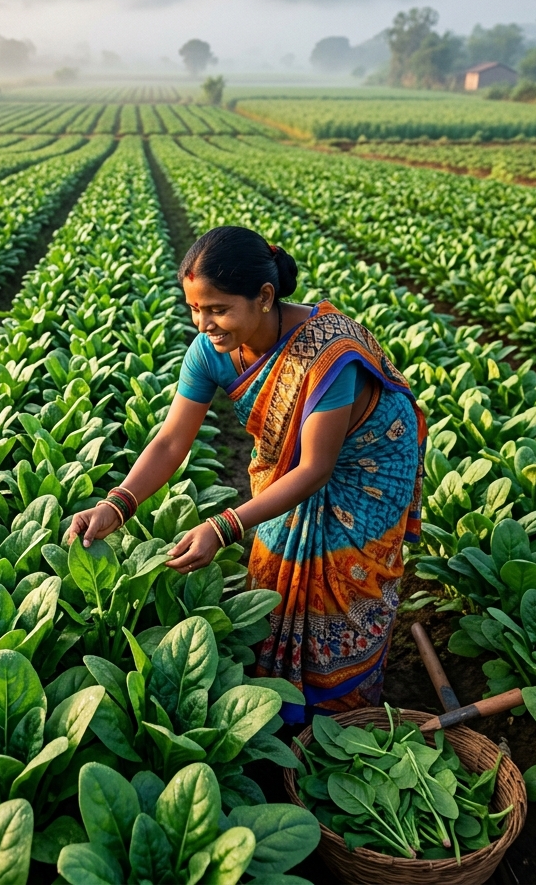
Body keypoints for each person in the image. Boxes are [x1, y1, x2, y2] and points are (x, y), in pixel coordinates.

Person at [67, 225, 426, 721]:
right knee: (275, 573)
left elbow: (315, 468)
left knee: (347, 583)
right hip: (300, 465)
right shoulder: (209, 352)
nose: (204, 324)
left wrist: (223, 527)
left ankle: (346, 716)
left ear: (265, 297)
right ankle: (283, 707)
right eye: (195, 309)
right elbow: (171, 441)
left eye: (218, 309)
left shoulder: (329, 354)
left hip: (368, 464)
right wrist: (117, 504)